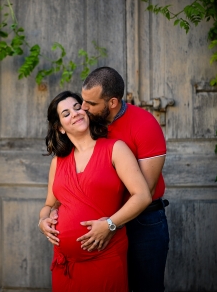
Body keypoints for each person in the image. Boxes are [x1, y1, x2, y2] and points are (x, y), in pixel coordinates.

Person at [38, 91, 152, 291]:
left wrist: (110, 224)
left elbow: (142, 196)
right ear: (60, 128)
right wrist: (43, 220)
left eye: (77, 107)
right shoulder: (58, 162)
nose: (74, 114)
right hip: (65, 264)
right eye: (66, 114)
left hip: (105, 256)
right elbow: (50, 204)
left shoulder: (115, 149)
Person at [75, 66, 170, 292]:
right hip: (98, 220)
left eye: (91, 104)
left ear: (113, 103)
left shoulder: (144, 124)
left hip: (142, 222)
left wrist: (110, 224)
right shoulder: (86, 124)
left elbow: (144, 192)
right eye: (82, 100)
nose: (83, 108)